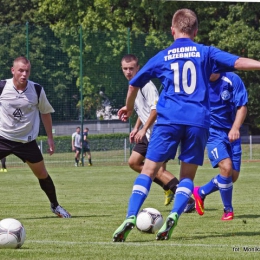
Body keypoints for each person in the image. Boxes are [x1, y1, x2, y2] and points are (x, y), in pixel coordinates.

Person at [113, 8, 260, 242]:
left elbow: (133, 85)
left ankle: (131, 216)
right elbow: (238, 62)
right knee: (187, 177)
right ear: (196, 31)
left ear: (173, 31)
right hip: (198, 123)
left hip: (168, 120)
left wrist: (129, 107)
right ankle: (173, 216)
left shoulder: (162, 56)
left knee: (149, 170)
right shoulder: (206, 52)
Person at [121, 54, 195, 210]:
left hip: (159, 132)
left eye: (131, 68)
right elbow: (144, 111)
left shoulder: (146, 85)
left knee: (159, 171)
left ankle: (188, 200)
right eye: (125, 69)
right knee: (134, 162)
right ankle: (168, 186)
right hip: (148, 132)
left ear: (138, 68)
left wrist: (143, 129)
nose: (128, 72)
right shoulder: (134, 86)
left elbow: (155, 110)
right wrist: (136, 127)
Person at [0, 56, 71, 218]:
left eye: (27, 71)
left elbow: (45, 113)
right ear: (13, 71)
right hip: (3, 138)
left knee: (42, 174)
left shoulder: (37, 90)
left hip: (26, 142)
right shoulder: (2, 86)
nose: (24, 74)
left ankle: (55, 206)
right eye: (20, 71)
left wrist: (50, 138)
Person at [193, 72, 248, 221]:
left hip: (232, 132)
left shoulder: (232, 79)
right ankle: (228, 210)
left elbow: (242, 106)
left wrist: (235, 128)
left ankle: (201, 192)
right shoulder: (198, 82)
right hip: (212, 133)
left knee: (232, 177)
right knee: (226, 167)